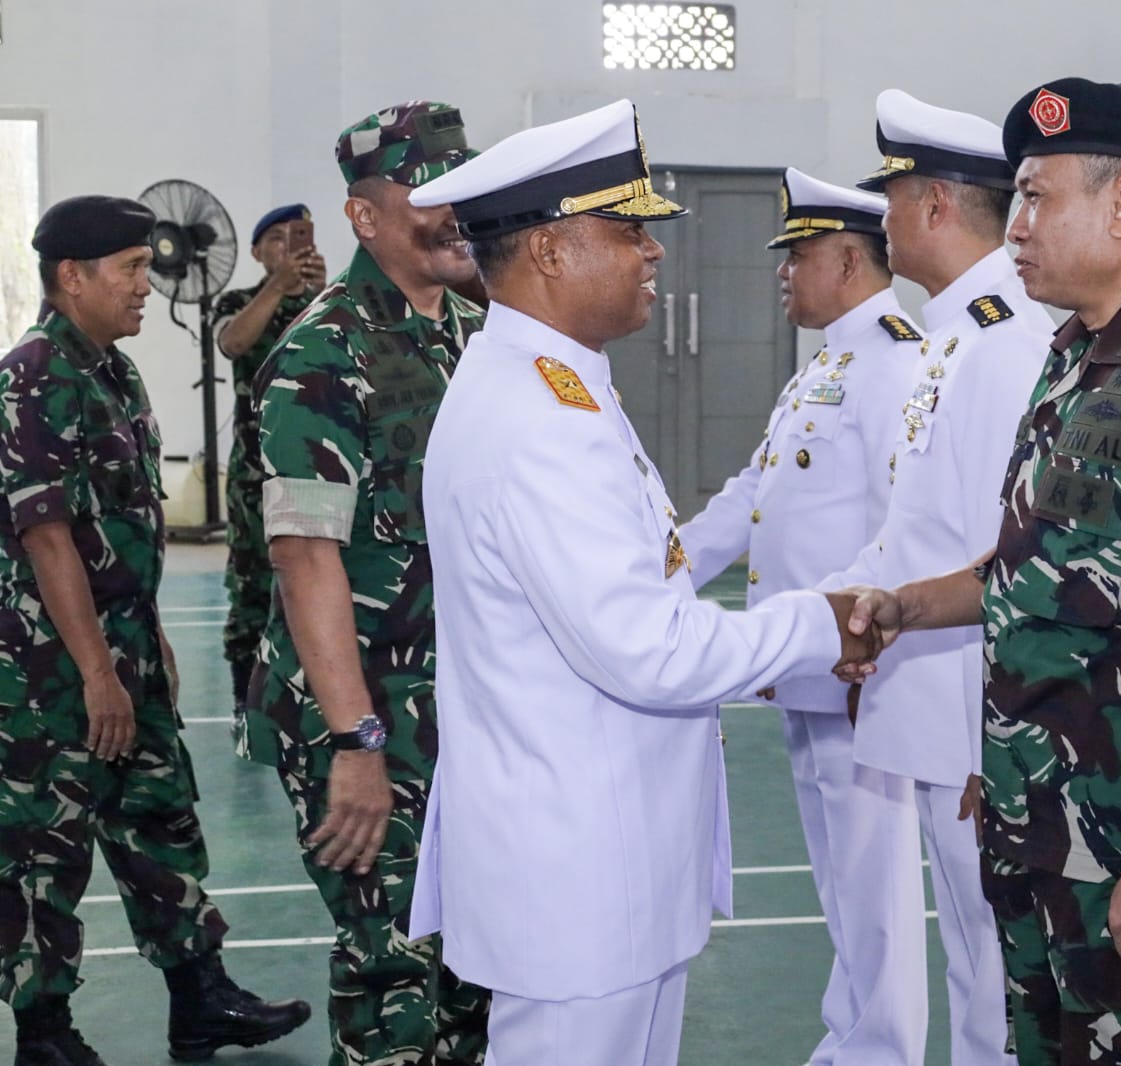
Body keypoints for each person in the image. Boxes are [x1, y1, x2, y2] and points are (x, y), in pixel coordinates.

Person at [408, 98, 883, 1066]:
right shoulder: (540, 419)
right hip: (579, 870)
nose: (653, 251)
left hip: (599, 857)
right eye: (628, 230)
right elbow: (651, 649)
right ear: (551, 250)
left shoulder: (553, 383)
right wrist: (822, 625)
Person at [843, 79, 1121, 1064]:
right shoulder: (1075, 356)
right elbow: (1029, 560)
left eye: (1037, 198)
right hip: (1038, 824)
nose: (1016, 227)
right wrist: (906, 605)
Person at [0, 196, 311, 1065]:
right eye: (131, 268)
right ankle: (44, 1033)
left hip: (123, 646)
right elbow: (47, 537)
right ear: (72, 276)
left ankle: (198, 997)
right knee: (46, 848)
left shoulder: (113, 371)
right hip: (51, 669)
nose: (148, 284)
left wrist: (150, 639)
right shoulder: (34, 377)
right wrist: (97, 673)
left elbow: (122, 526)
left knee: (157, 816)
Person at [241, 102, 491, 1065]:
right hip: (363, 706)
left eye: (461, 191)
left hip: (458, 702)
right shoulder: (322, 352)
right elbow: (305, 558)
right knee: (394, 969)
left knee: (474, 963)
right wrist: (355, 743)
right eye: (428, 196)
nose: (454, 213)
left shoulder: (473, 333)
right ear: (365, 216)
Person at [821, 88, 1057, 1066]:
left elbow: (1009, 559)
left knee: (992, 978)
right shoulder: (956, 334)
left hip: (971, 727)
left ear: (934, 205)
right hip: (933, 710)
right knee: (973, 962)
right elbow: (916, 531)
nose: (880, 217)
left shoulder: (1004, 342)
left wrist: (983, 747)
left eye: (891, 195)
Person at [677, 166, 927, 1065]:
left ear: (850, 260)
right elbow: (751, 493)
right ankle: (850, 1039)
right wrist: (661, 571)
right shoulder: (827, 365)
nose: (783, 271)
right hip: (809, 666)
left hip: (859, 666)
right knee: (840, 876)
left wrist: (862, 639)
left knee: (872, 882)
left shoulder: (895, 362)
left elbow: (906, 523)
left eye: (799, 254)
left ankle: (880, 1049)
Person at [215, 203, 327, 728]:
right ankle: (245, 699)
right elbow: (233, 342)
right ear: (258, 252)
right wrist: (278, 289)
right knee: (251, 585)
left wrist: (318, 295)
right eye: (276, 239)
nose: (288, 246)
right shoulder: (240, 302)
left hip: (315, 469)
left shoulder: (330, 301)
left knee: (320, 581)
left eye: (296, 236)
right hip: (254, 476)